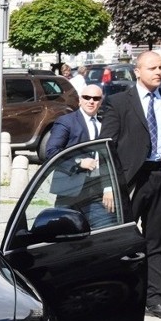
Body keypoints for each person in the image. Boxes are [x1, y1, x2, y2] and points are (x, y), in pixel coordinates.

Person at [99, 50, 161, 321]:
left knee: (158, 240)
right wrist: (108, 185)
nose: (159, 72)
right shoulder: (119, 102)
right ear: (137, 71)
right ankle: (115, 299)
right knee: (122, 242)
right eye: (152, 68)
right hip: (130, 179)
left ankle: (156, 300)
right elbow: (106, 147)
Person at [46, 84, 116, 228]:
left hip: (96, 190)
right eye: (87, 97)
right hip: (69, 192)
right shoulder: (66, 121)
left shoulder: (105, 124)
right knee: (64, 235)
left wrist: (109, 188)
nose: (91, 101)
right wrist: (78, 162)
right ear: (80, 100)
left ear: (101, 101)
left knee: (106, 231)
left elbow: (109, 159)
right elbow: (51, 152)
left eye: (96, 98)